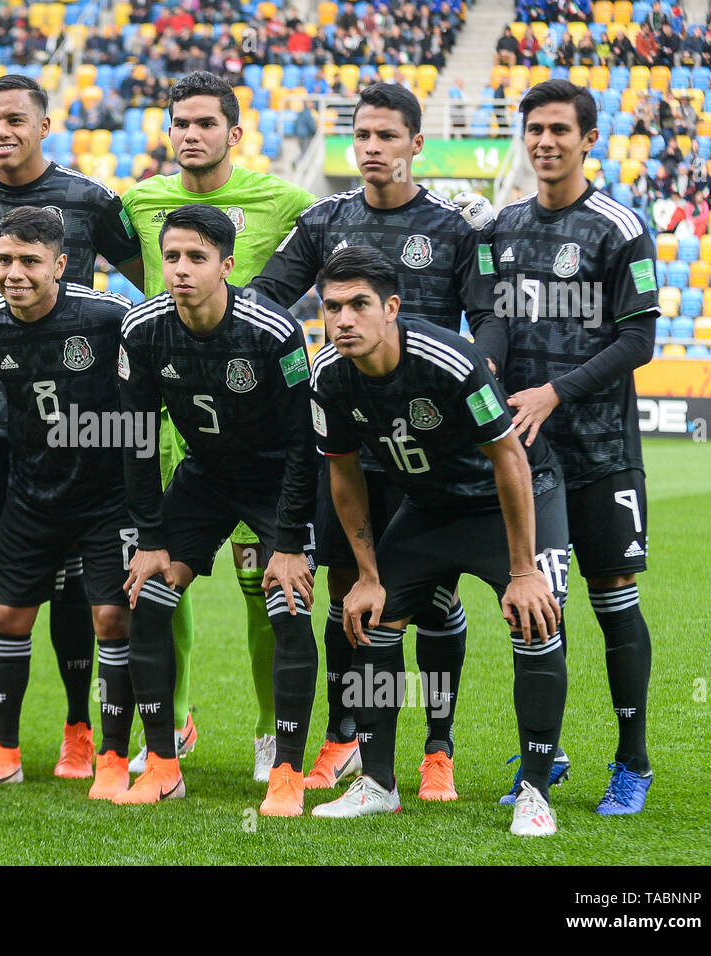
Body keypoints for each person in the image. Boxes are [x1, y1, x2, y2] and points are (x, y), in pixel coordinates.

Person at [251, 82, 498, 801]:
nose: (371, 149)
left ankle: (439, 747)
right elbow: (268, 299)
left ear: (416, 144)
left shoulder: (454, 226)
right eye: (361, 136)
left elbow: (488, 321)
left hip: (429, 445)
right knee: (347, 589)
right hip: (352, 443)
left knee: (431, 597)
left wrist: (474, 374)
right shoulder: (325, 219)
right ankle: (346, 735)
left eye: (387, 137)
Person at [308, 241, 568, 838]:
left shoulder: (449, 359)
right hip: (431, 508)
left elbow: (509, 458)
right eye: (332, 307)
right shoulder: (328, 375)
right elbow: (343, 473)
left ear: (392, 307)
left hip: (513, 499)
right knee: (372, 619)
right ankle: (377, 783)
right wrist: (368, 575)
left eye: (358, 305)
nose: (343, 320)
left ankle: (535, 791)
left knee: (537, 618)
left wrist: (524, 570)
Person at [0, 73, 144, 779]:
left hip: (77, 434)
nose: (1, 132)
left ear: (45, 124)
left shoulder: (89, 200)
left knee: (82, 587)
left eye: (15, 120)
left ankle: (82, 731)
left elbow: (149, 287)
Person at [121, 70, 318, 784]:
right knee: (155, 577)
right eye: (181, 123)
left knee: (259, 584)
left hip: (258, 427)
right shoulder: (142, 201)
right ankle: (171, 723)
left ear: (235, 134)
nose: (191, 135)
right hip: (175, 422)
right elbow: (103, 253)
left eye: (207, 124)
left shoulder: (283, 201)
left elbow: (338, 240)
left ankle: (272, 733)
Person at [472, 80, 659, 816]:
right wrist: (484, 360)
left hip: (603, 452)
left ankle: (633, 761)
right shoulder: (502, 227)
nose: (545, 141)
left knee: (615, 604)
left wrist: (556, 392)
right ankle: (544, 752)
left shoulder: (620, 228)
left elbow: (640, 339)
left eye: (559, 129)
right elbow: (488, 317)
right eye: (535, 130)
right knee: (536, 608)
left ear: (587, 140)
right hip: (527, 462)